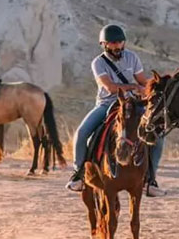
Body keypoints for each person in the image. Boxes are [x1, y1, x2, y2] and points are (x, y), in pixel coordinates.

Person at [66, 24, 165, 197]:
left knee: (158, 136)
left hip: (133, 104)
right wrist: (133, 87)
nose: (117, 46)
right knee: (82, 133)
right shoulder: (98, 63)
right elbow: (110, 87)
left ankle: (150, 179)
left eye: (120, 42)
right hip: (107, 104)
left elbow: (142, 81)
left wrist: (155, 86)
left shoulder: (132, 57)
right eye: (113, 43)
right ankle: (79, 174)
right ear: (104, 44)